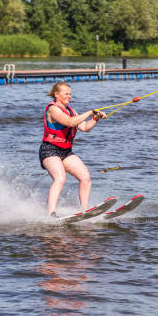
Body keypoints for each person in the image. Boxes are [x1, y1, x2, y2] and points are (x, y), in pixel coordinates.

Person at [39, 82, 106, 217]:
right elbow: (70, 122)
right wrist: (89, 111)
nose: (69, 96)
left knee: (85, 177)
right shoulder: (53, 109)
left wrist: (95, 118)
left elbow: (85, 127)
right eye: (66, 94)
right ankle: (51, 213)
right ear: (57, 94)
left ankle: (85, 211)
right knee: (60, 178)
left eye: (70, 93)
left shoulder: (71, 110)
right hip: (49, 150)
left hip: (66, 151)